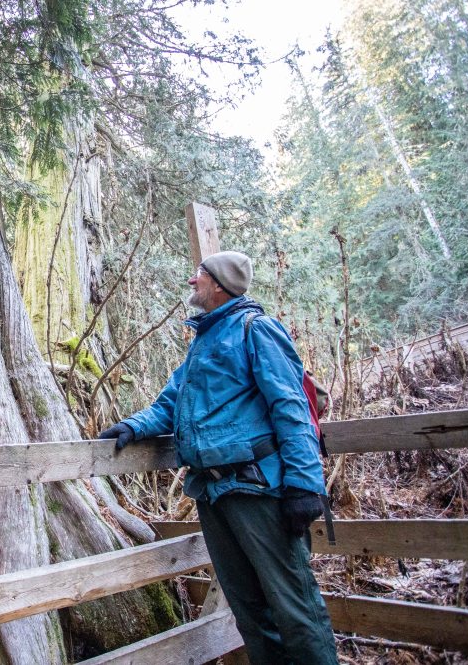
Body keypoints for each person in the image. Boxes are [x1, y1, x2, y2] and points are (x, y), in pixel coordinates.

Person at [99, 250, 337, 665]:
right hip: (212, 492)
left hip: (258, 489)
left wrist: (304, 484)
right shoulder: (205, 339)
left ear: (220, 284)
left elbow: (291, 406)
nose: (192, 282)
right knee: (251, 612)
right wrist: (134, 427)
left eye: (199, 275)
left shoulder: (256, 329)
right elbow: (172, 402)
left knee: (293, 607)